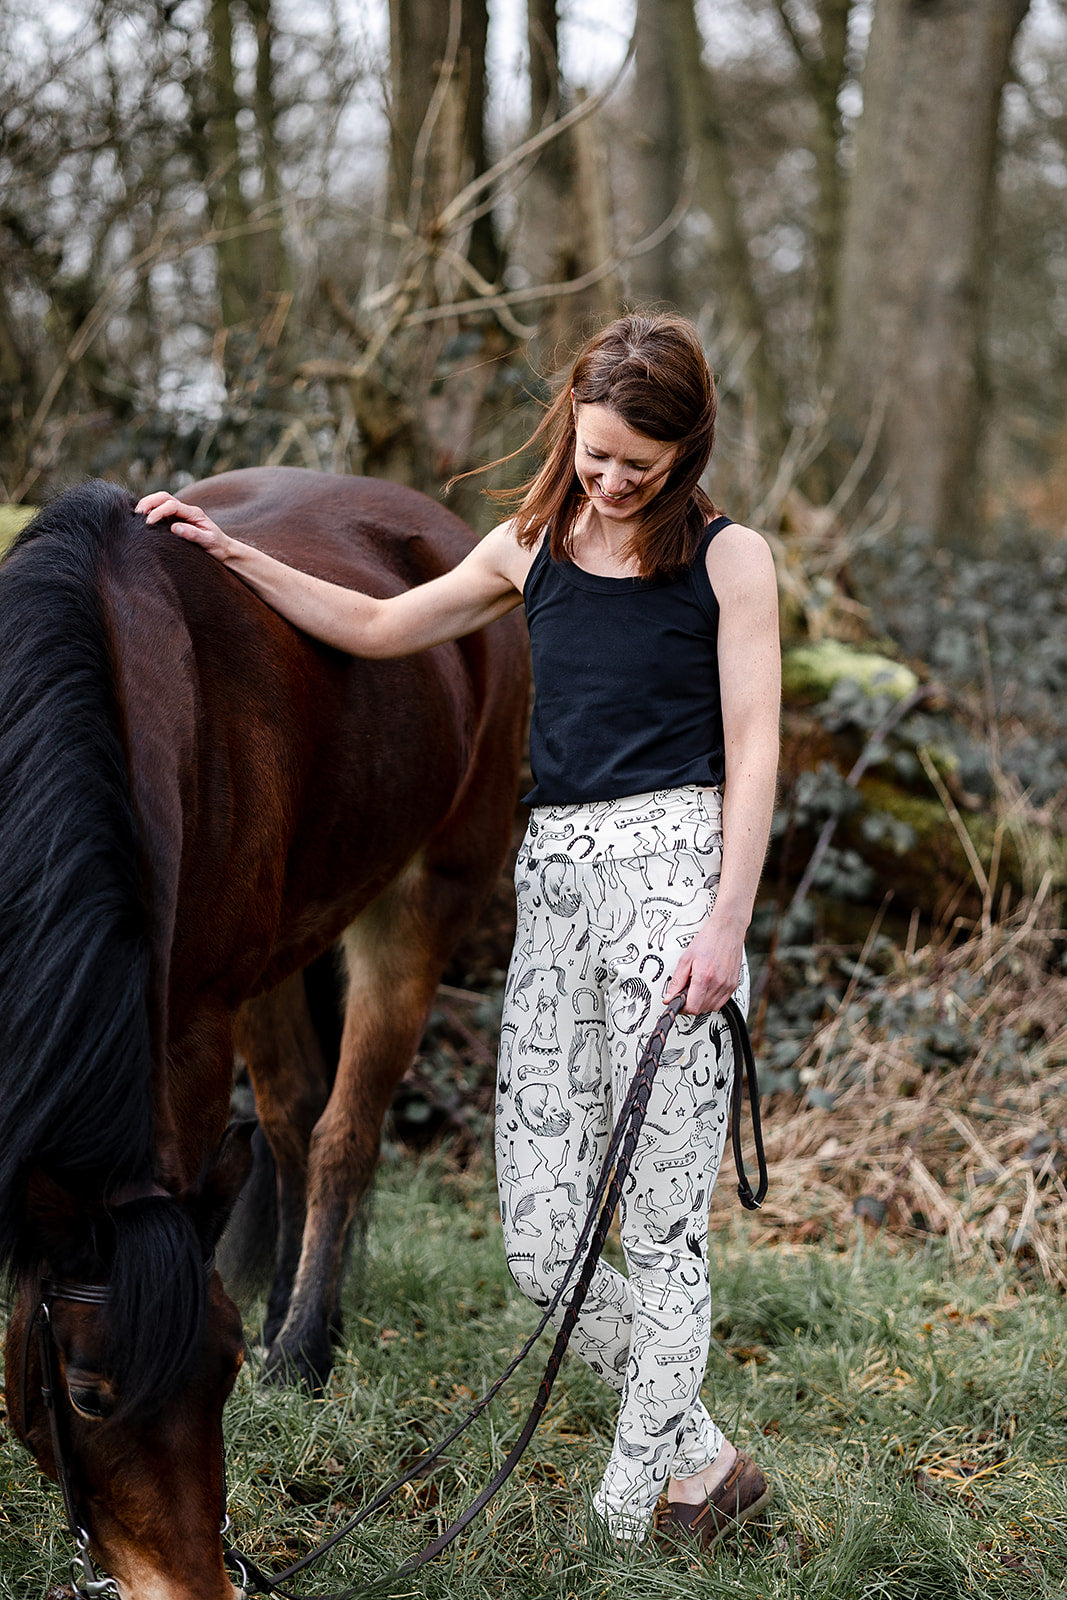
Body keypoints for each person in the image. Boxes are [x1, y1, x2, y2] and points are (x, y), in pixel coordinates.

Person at [137, 311, 781, 1555]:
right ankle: (703, 1457)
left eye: (637, 464)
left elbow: (753, 747)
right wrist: (232, 555)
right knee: (541, 1246)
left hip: (676, 882)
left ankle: (627, 1523)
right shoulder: (530, 543)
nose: (609, 480)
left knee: (658, 1231)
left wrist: (725, 921)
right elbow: (382, 627)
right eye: (594, 453)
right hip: (556, 885)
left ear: (686, 450)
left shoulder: (728, 559)